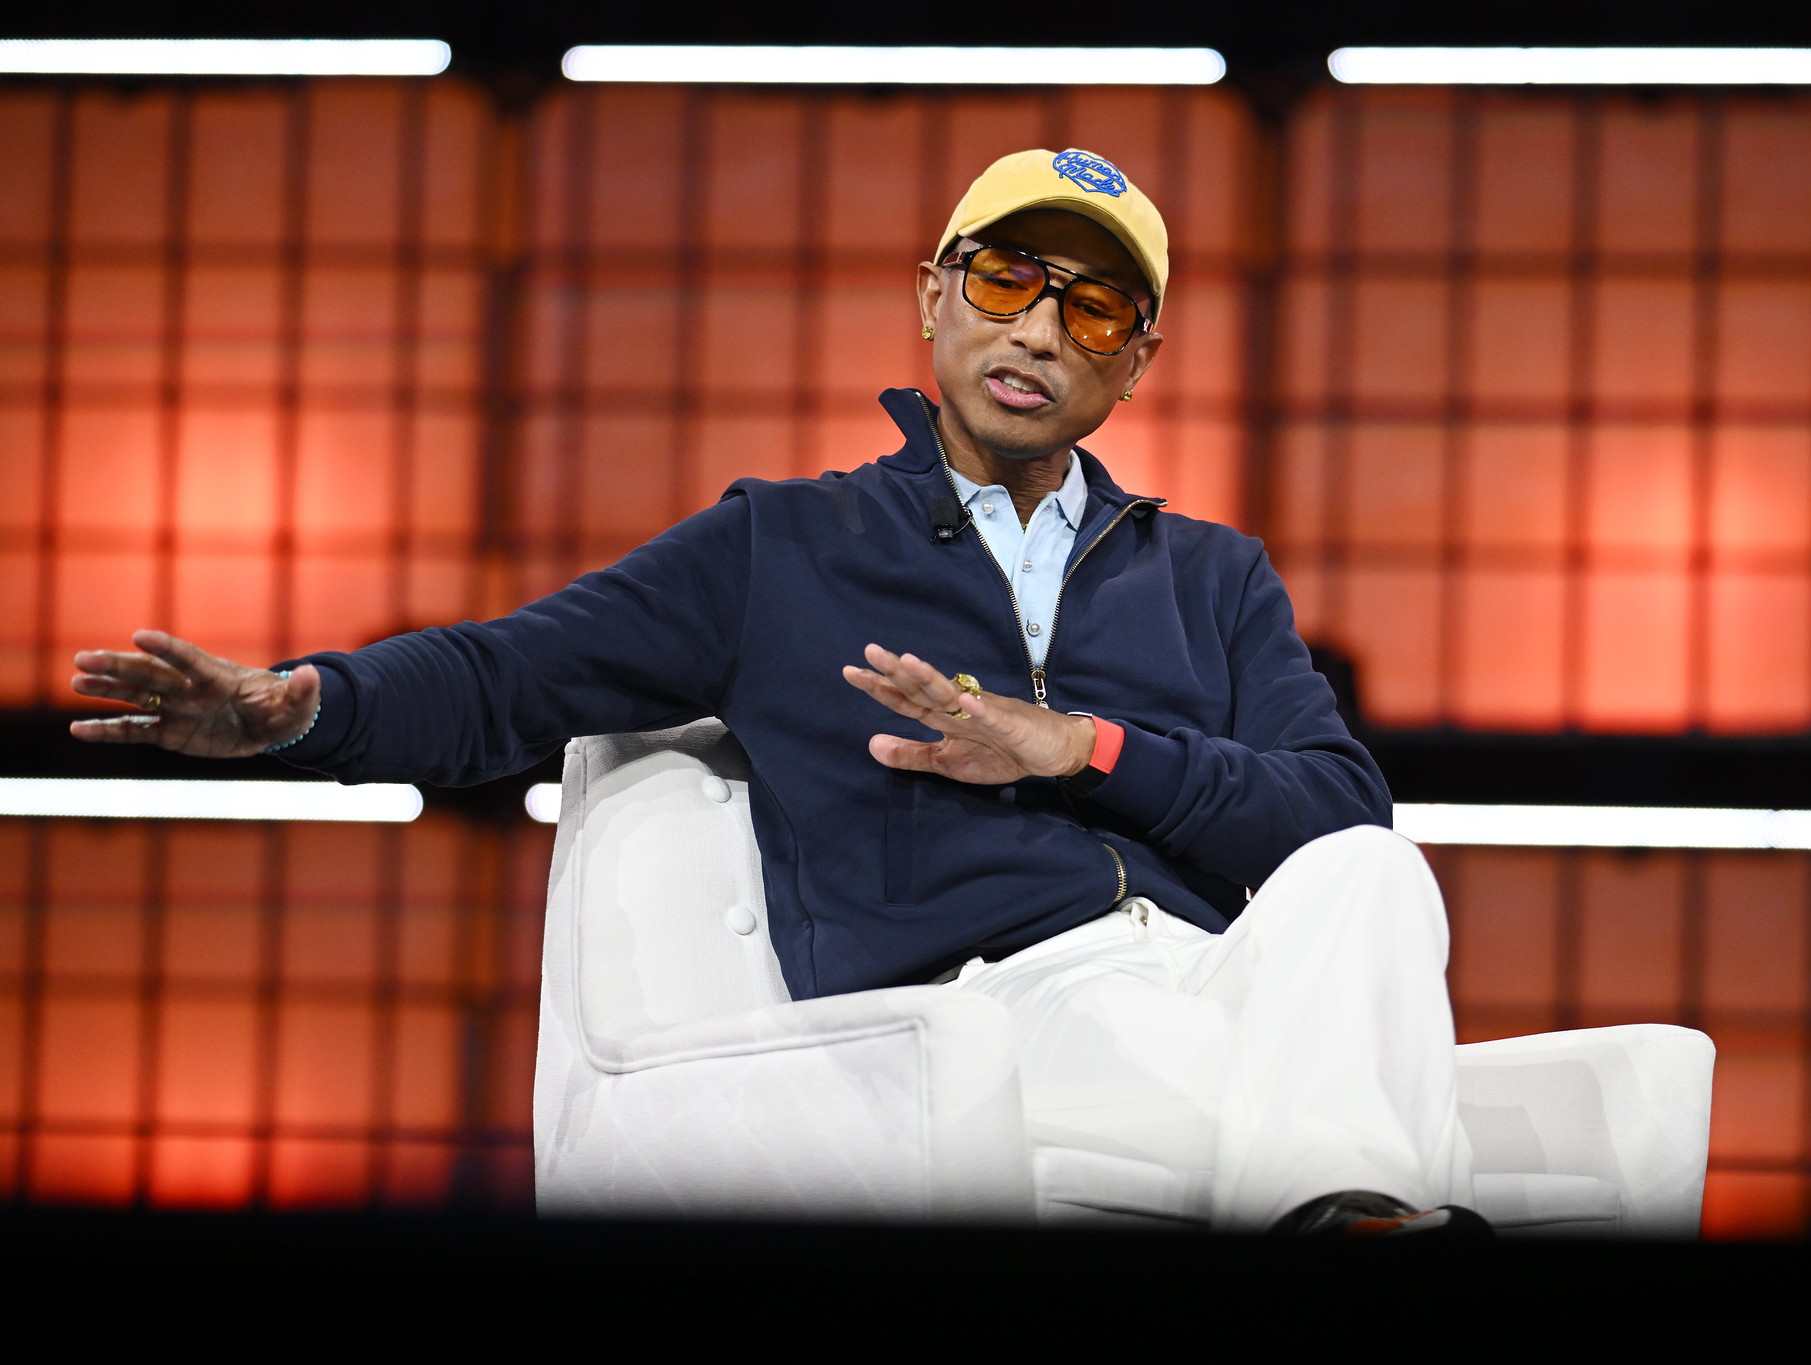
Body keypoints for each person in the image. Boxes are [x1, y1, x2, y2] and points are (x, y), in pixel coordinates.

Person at [69, 148, 1478, 1237]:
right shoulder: (781, 548)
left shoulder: (1216, 577)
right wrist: (304, 708)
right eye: (1006, 280)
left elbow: (1334, 810)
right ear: (933, 295)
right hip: (998, 1005)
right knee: (1329, 1049)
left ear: (1136, 363)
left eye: (1094, 306)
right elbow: (511, 671)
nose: (1042, 331)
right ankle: (1343, 1197)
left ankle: (1341, 1208)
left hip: (1223, 984)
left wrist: (1083, 746)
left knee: (1366, 868)